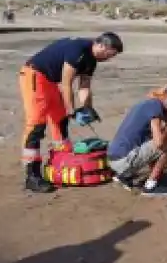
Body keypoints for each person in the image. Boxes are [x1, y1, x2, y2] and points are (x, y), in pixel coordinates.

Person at [19, 32, 123, 193]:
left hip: (51, 81)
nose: (109, 58)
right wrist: (71, 110)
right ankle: (31, 175)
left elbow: (84, 87)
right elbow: (67, 83)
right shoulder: (78, 49)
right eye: (110, 54)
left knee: (60, 120)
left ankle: (61, 160)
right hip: (34, 75)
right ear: (102, 45)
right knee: (36, 125)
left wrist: (88, 108)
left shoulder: (91, 61)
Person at [108, 86, 167, 195]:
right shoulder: (156, 109)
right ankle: (150, 186)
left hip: (114, 158)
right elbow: (159, 143)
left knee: (160, 137)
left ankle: (126, 176)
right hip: (123, 162)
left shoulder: (148, 104)